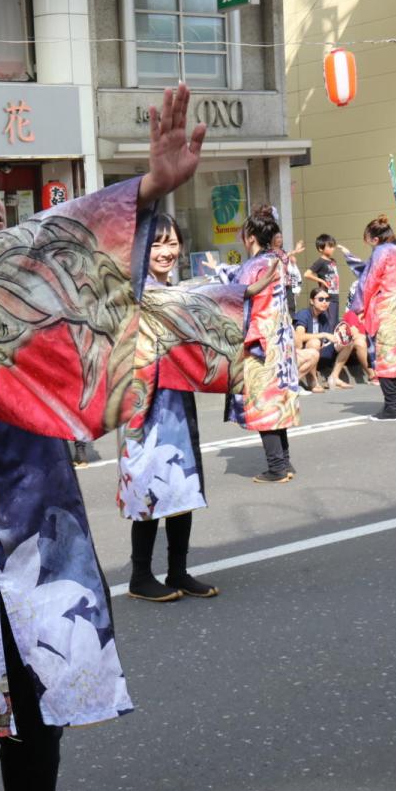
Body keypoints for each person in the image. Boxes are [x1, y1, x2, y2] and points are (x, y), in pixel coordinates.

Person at [0, 86, 242, 791]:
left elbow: (92, 306)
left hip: (23, 521)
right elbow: (54, 246)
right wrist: (146, 188)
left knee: (36, 716)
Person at [118, 214, 220, 602]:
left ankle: (178, 570)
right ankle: (140, 576)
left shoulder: (168, 290)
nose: (166, 251)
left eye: (172, 243)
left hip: (176, 401)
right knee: (148, 486)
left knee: (181, 484)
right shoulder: (135, 293)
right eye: (156, 244)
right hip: (144, 405)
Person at [217, 206, 301, 483]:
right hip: (280, 340)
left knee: (264, 402)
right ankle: (284, 463)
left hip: (259, 342)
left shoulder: (253, 266)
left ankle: (277, 467)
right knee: (277, 401)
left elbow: (235, 296)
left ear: (250, 236)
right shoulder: (276, 261)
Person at [348, 215, 396, 422]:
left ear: (375, 239)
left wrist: (358, 307)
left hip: (388, 311)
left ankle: (392, 407)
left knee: (386, 358)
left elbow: (368, 281)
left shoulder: (381, 252)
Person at [293, 287, 355, 392]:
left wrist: (343, 333)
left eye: (327, 299)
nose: (325, 302)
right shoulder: (304, 314)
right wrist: (323, 335)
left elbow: (331, 336)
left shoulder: (324, 317)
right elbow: (299, 336)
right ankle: (312, 381)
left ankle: (334, 377)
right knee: (315, 342)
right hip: (306, 355)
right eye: (321, 299)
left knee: (348, 342)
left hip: (322, 351)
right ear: (312, 301)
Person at [304, 234, 342, 322]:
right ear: (321, 248)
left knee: (335, 322)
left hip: (335, 295)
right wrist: (321, 280)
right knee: (329, 322)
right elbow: (307, 274)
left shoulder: (333, 261)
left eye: (333, 246)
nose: (332, 249)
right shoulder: (320, 261)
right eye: (330, 246)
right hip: (326, 296)